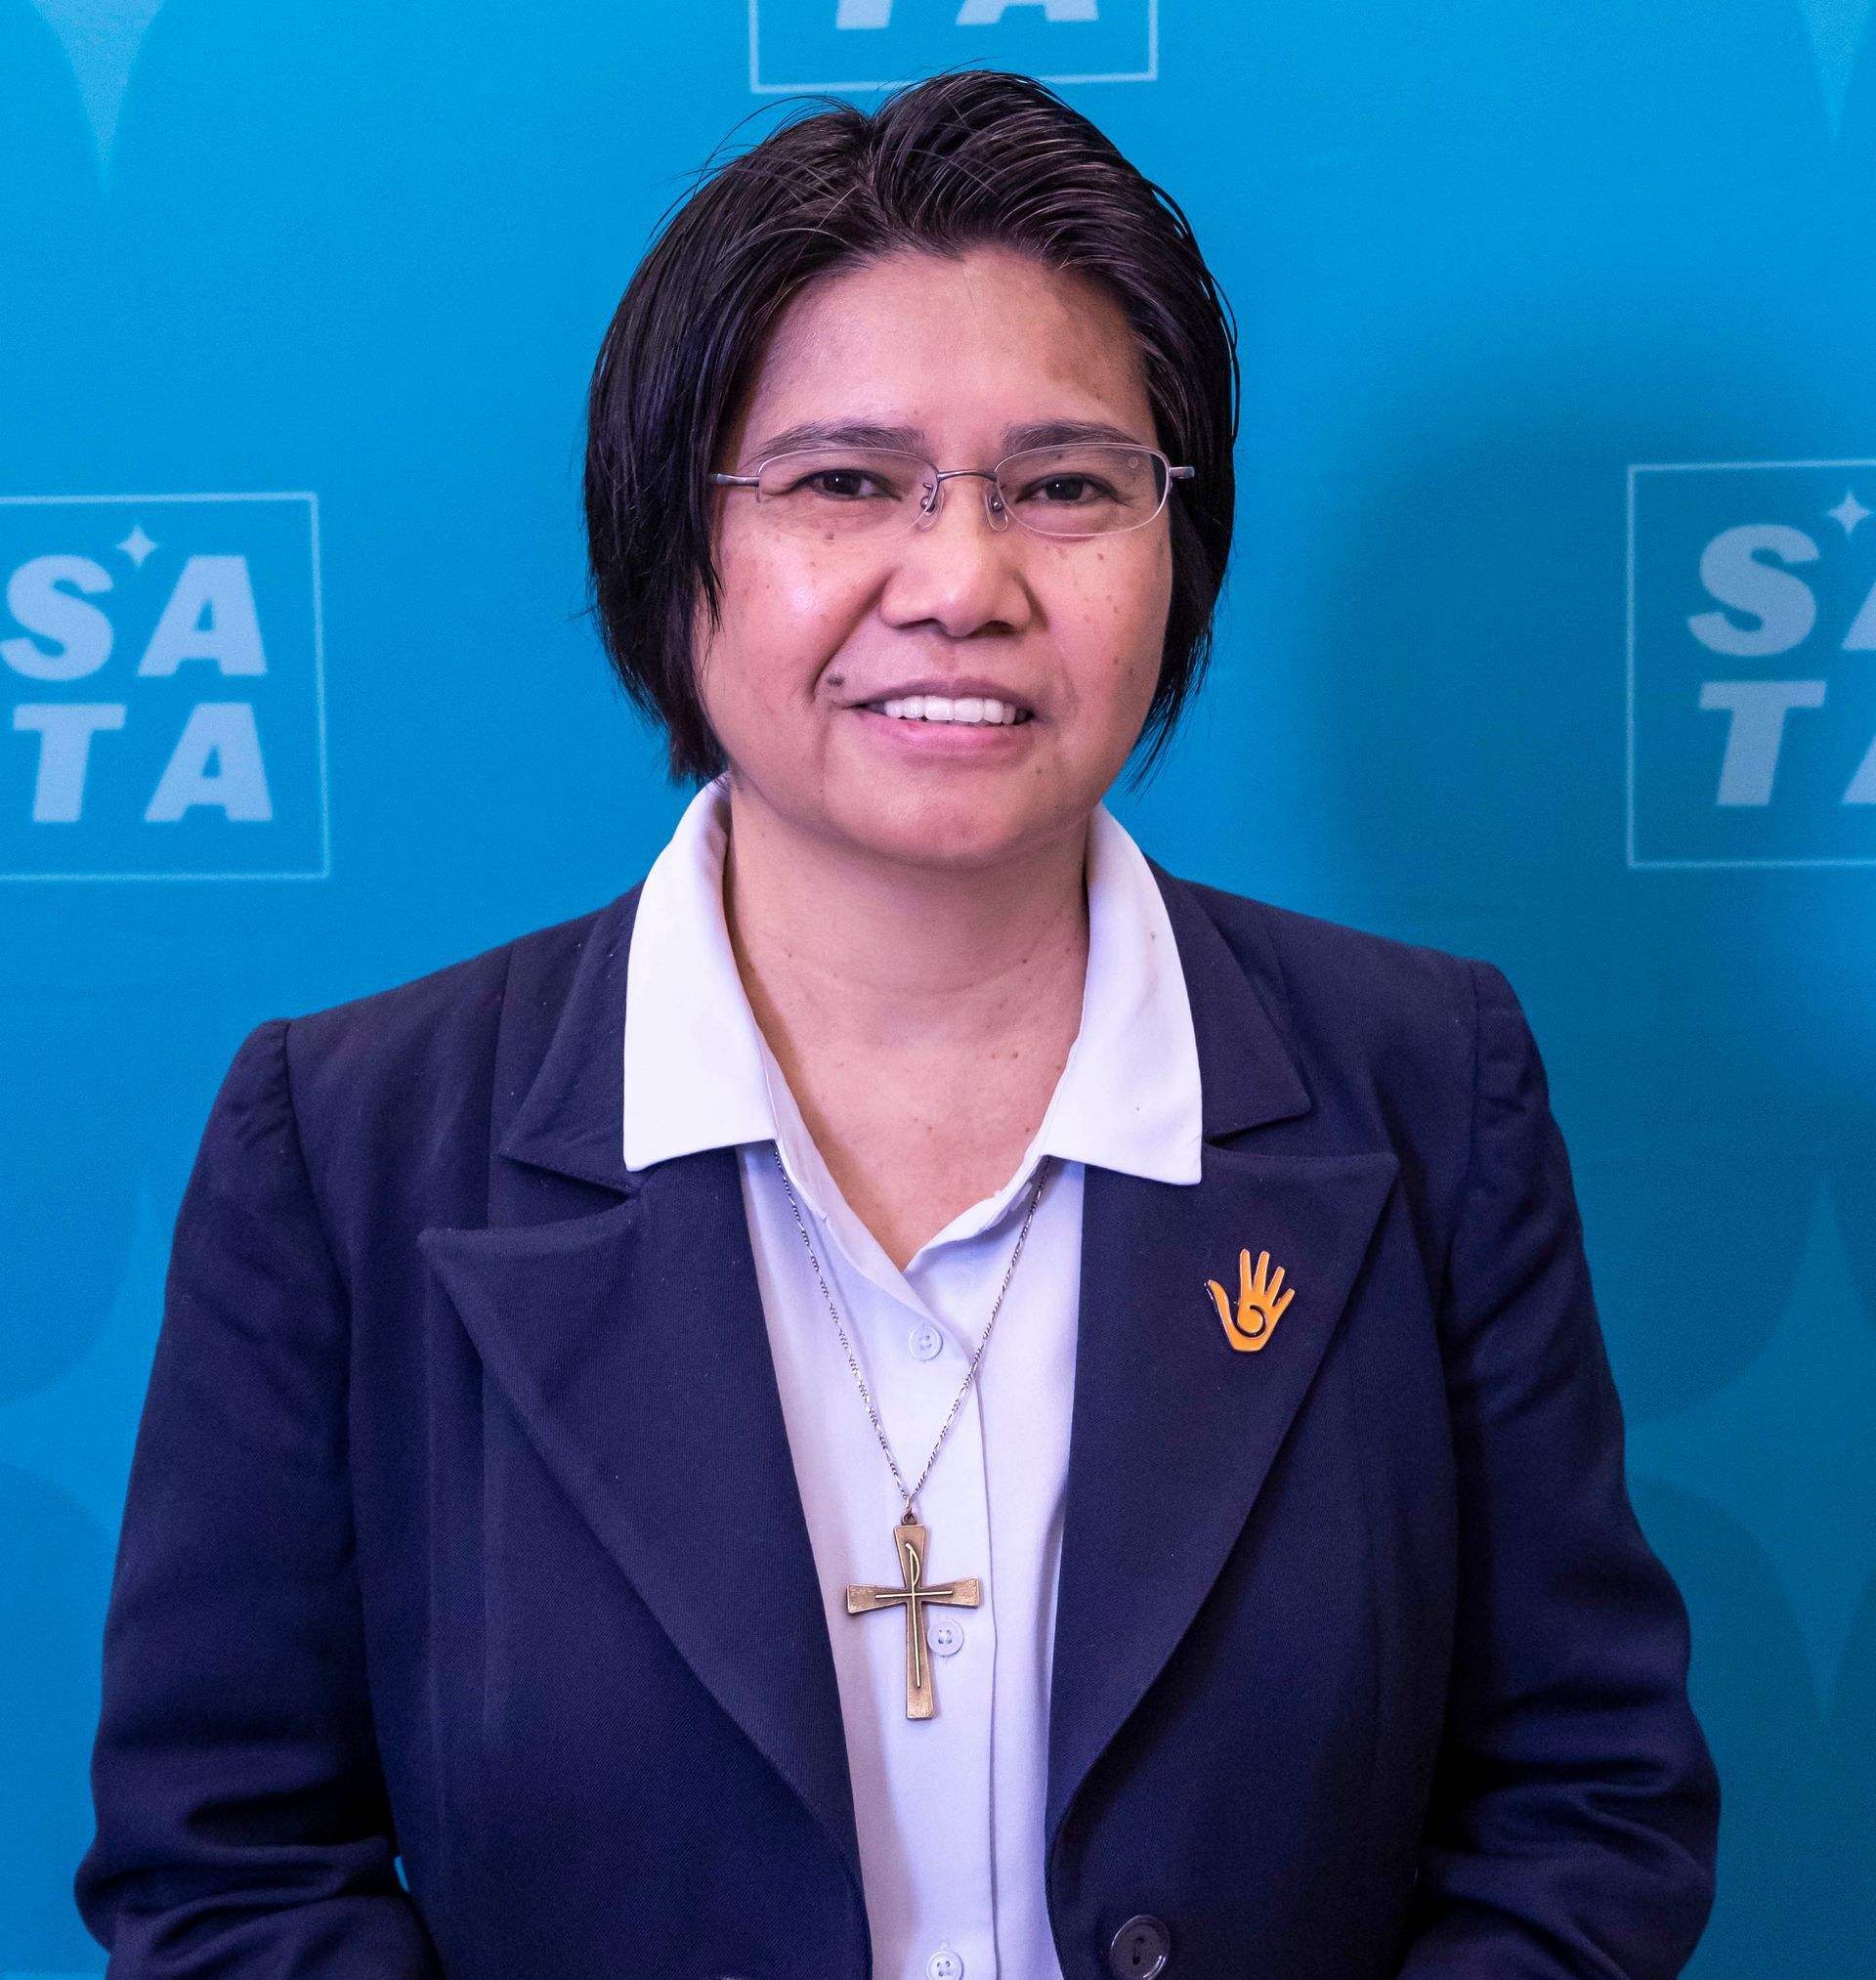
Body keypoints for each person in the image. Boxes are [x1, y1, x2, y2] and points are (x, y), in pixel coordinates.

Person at [75, 68, 1718, 1980]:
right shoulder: (349, 1145)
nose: (961, 582)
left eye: (1067, 485)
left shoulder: (1428, 1088)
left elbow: (1585, 1802)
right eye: (848, 481)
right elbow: (228, 1872)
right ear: (667, 543)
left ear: (1177, 548)